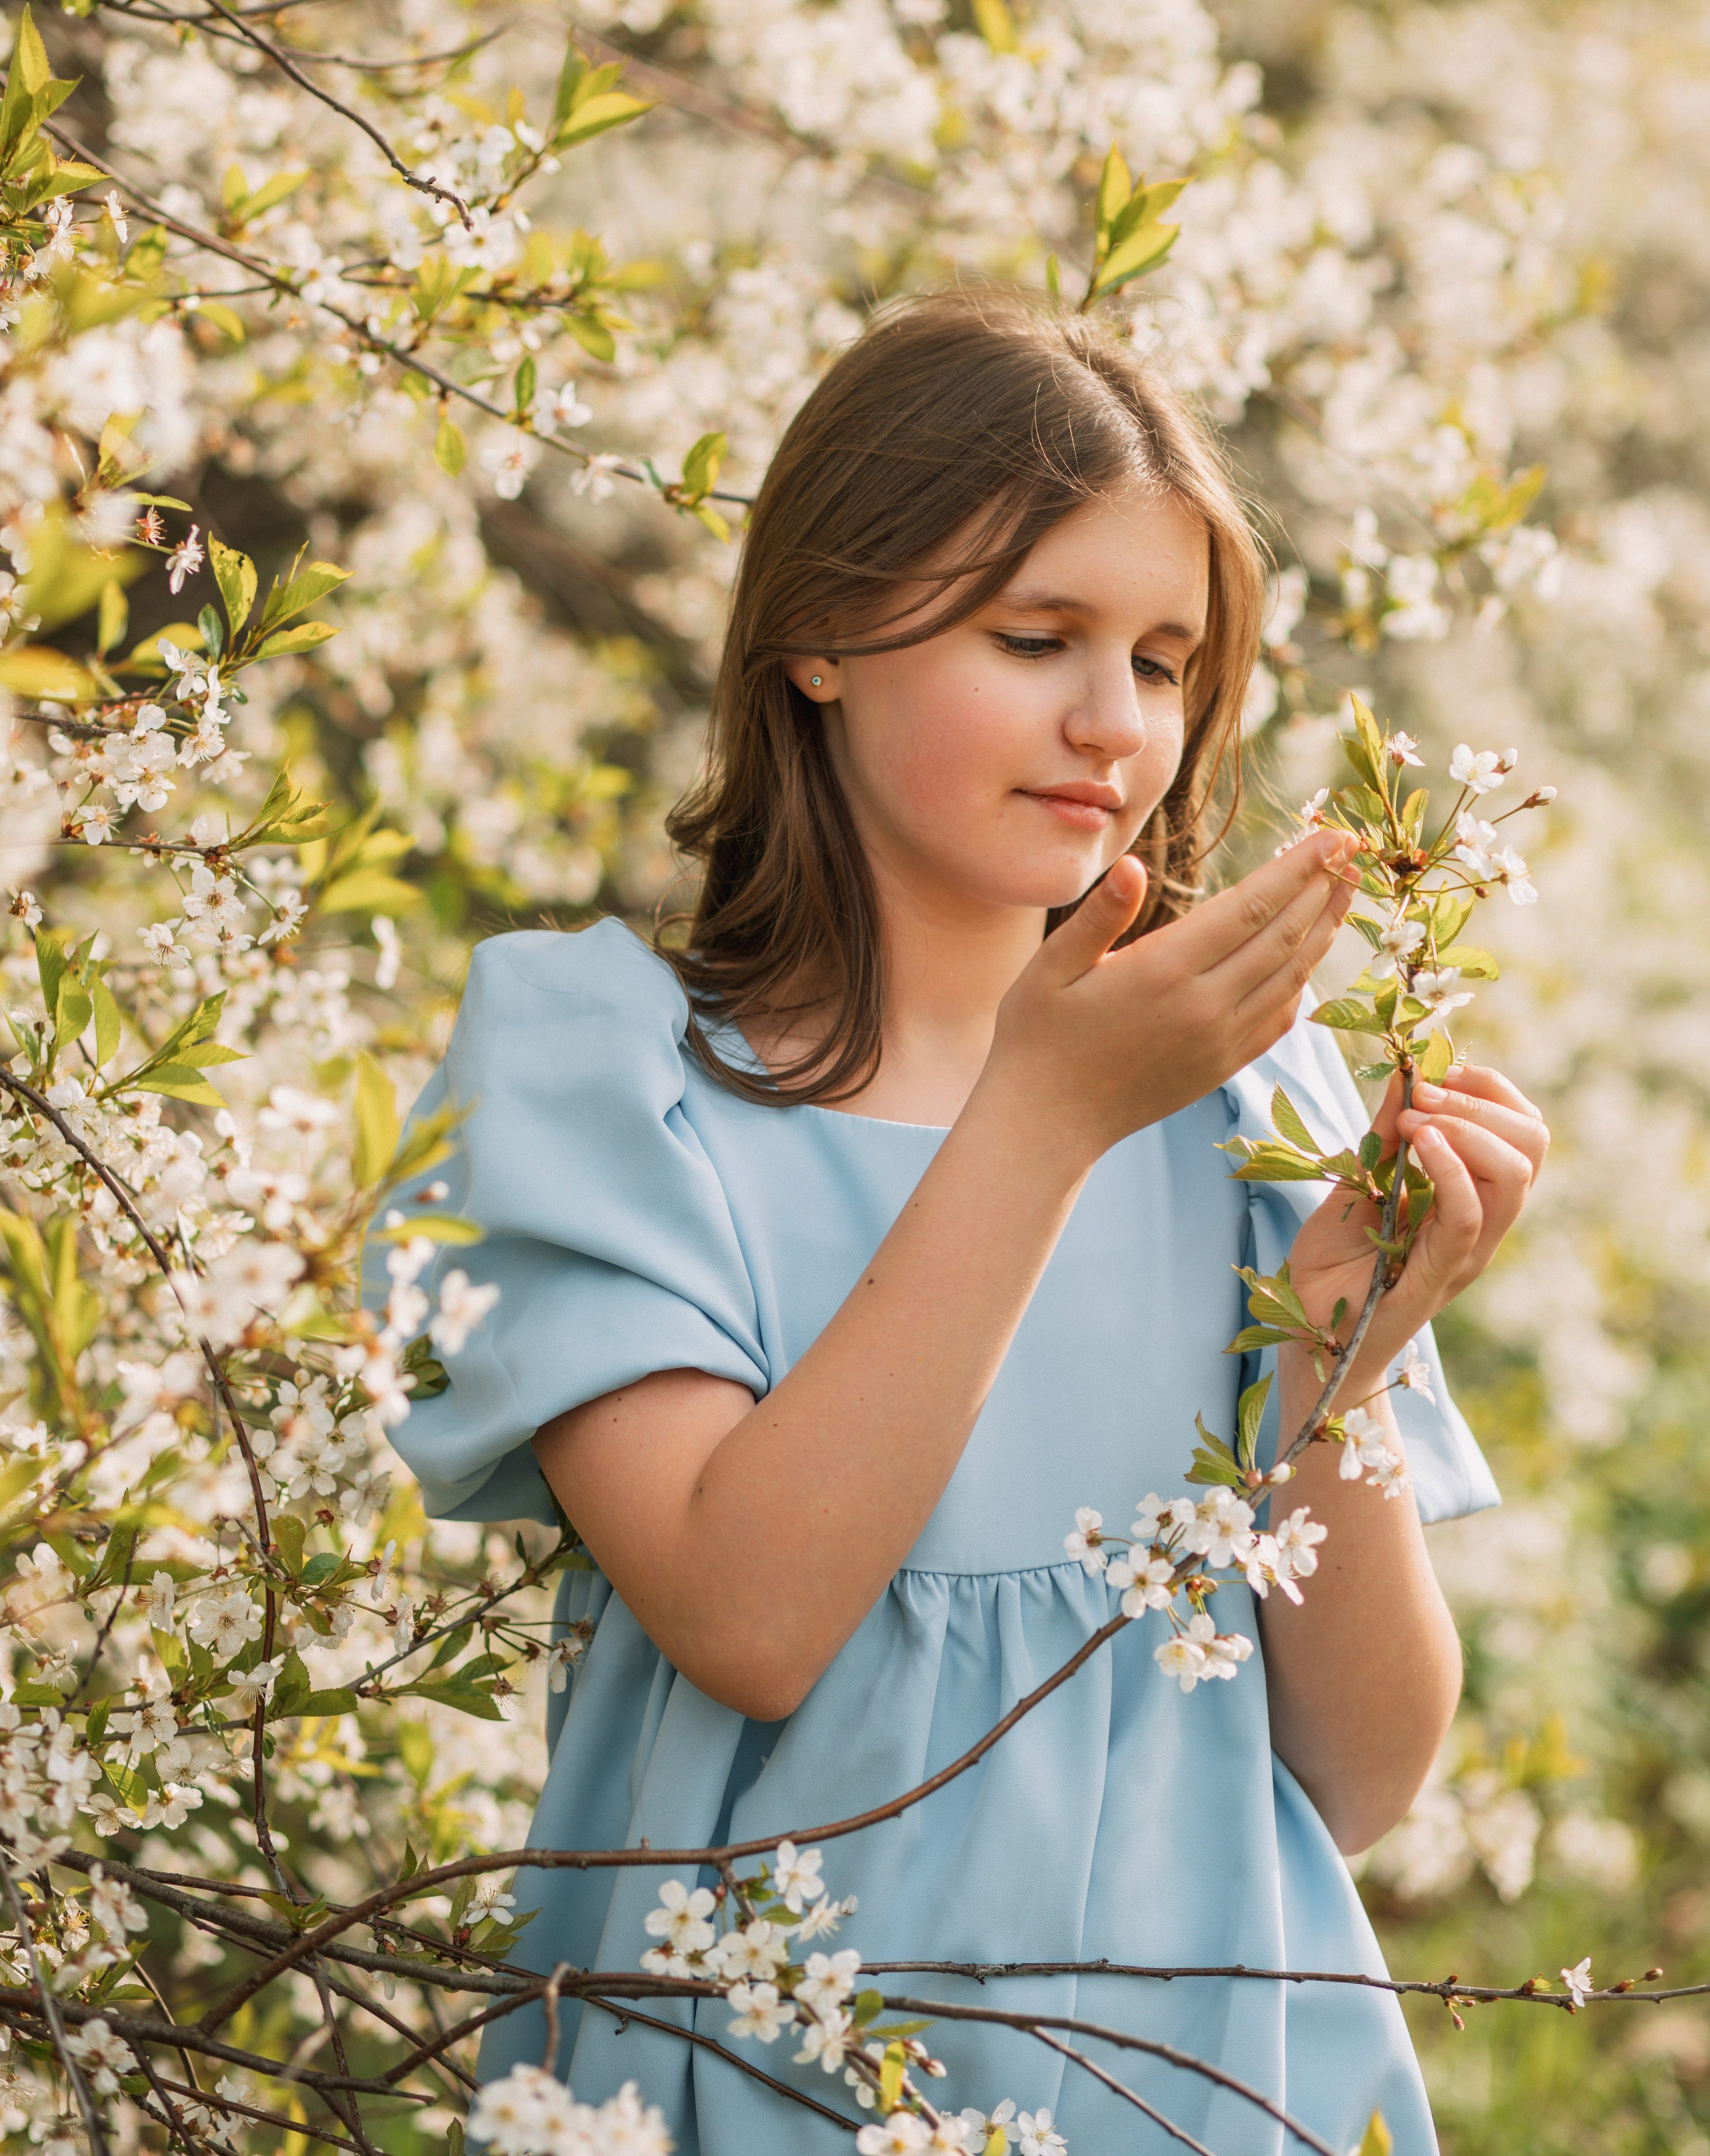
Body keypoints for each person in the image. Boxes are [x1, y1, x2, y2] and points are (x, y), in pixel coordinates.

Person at [386, 291, 1546, 2154]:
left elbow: (1364, 1771)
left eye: (1166, 662)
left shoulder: (1251, 1103)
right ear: (824, 633)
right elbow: (749, 1617)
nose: (1116, 725)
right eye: (1038, 638)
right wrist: (1043, 1114)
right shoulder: (606, 1081)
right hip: (753, 2089)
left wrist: (1341, 1341)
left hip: (1205, 2095)